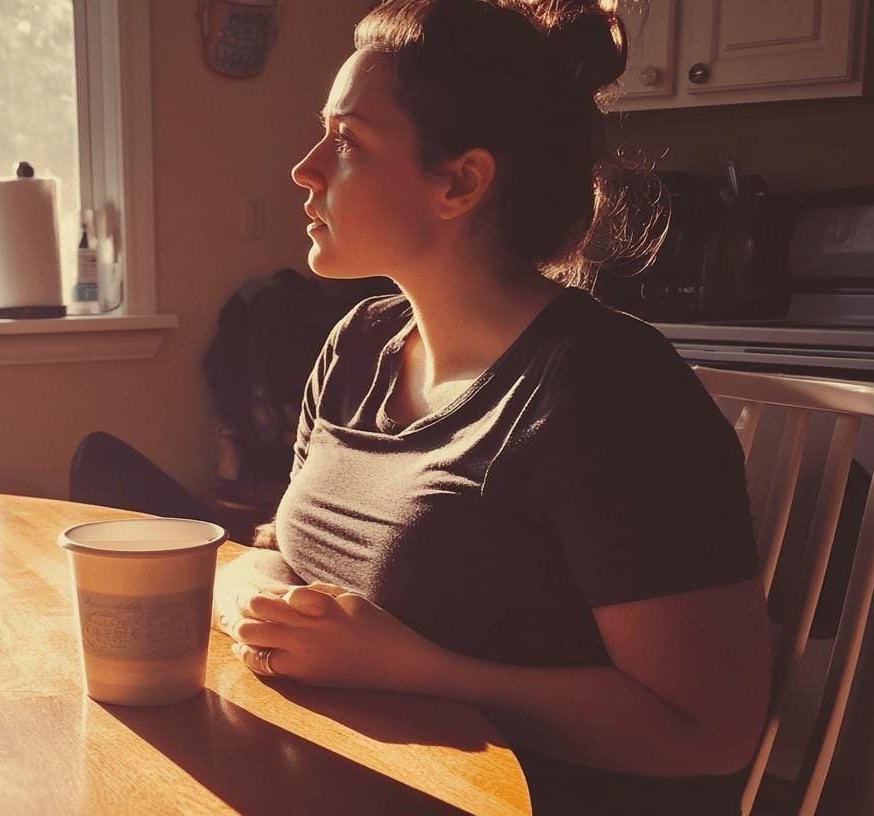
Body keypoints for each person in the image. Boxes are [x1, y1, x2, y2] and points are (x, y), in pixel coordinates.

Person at [209, 1, 773, 813]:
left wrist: (422, 672)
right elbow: (284, 548)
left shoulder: (610, 394)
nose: (304, 168)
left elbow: (709, 731)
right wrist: (252, 585)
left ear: (462, 181)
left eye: (346, 142)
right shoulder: (358, 346)